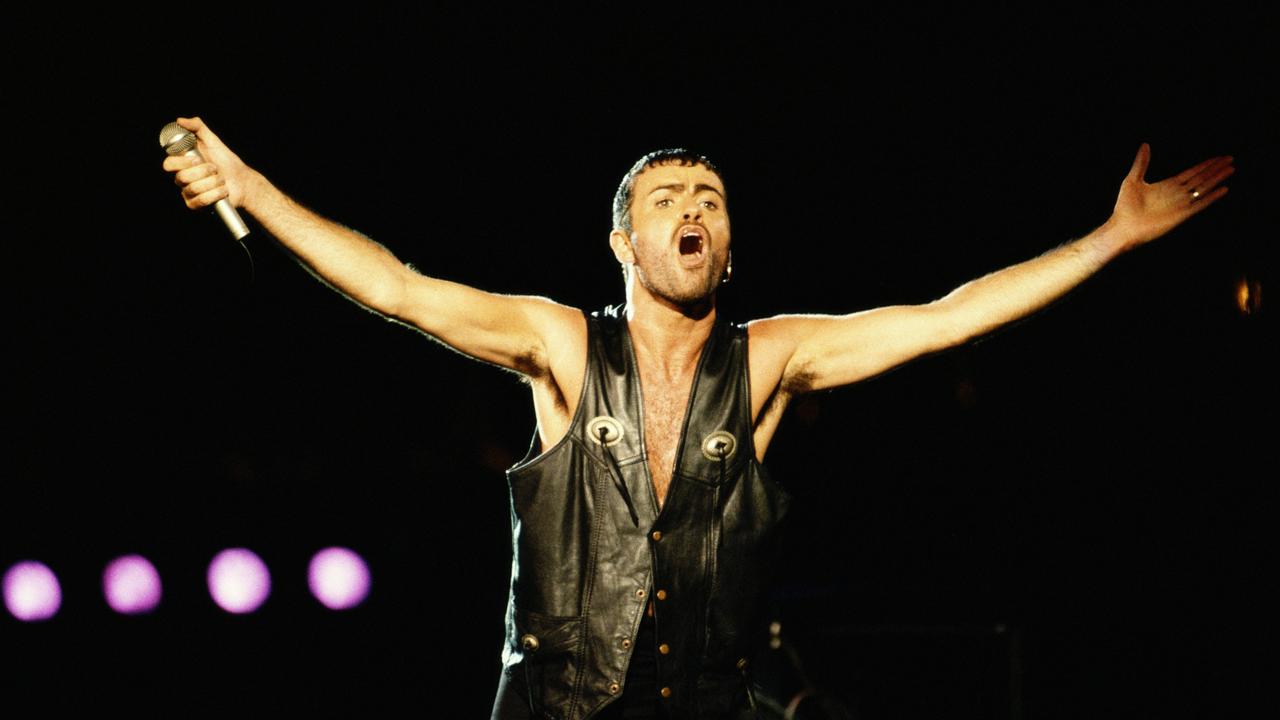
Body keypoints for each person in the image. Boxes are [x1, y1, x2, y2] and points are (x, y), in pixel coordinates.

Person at [163, 116, 1232, 719]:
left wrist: (1104, 242)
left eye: (709, 200)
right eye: (666, 197)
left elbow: (946, 318)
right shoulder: (559, 345)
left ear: (727, 248)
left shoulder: (771, 358)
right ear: (623, 245)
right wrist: (250, 185)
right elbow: (395, 287)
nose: (690, 208)